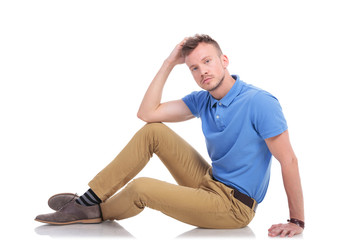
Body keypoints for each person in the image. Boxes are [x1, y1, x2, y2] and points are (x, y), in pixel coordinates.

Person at [35, 34, 304, 238]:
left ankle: (94, 211)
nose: (203, 72)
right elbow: (147, 113)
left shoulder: (260, 102)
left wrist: (297, 221)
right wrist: (168, 63)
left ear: (224, 61)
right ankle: (91, 198)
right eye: (194, 68)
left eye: (207, 61)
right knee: (155, 131)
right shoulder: (203, 101)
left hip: (234, 207)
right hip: (210, 182)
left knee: (142, 189)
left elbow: (288, 160)